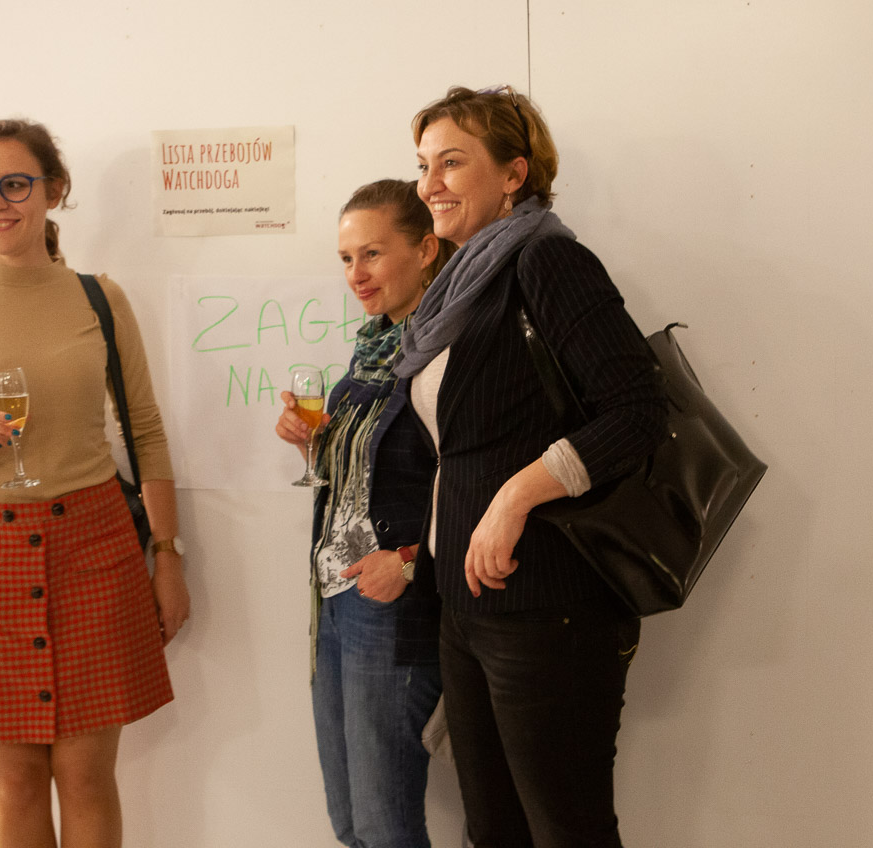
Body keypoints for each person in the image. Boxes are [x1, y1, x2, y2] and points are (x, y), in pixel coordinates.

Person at [0, 117, 189, 848]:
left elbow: (145, 432)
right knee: (15, 783)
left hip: (95, 549)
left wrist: (168, 555)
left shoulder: (99, 298)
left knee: (86, 777)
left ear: (54, 190)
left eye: (15, 184)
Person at [394, 86, 667, 848]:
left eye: (452, 163)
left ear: (514, 173)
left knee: (566, 833)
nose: (429, 184)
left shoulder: (547, 259)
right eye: (422, 165)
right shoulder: (461, 286)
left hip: (548, 605)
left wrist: (516, 496)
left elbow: (637, 411)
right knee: (494, 833)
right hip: (466, 604)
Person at [273, 179, 452, 848]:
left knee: (385, 826)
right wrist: (312, 442)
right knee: (351, 821)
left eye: (372, 254)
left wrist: (407, 563)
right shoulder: (373, 347)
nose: (357, 274)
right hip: (334, 599)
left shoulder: (450, 346)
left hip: (392, 605)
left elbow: (474, 481)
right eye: (347, 258)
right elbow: (374, 469)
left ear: (426, 249)